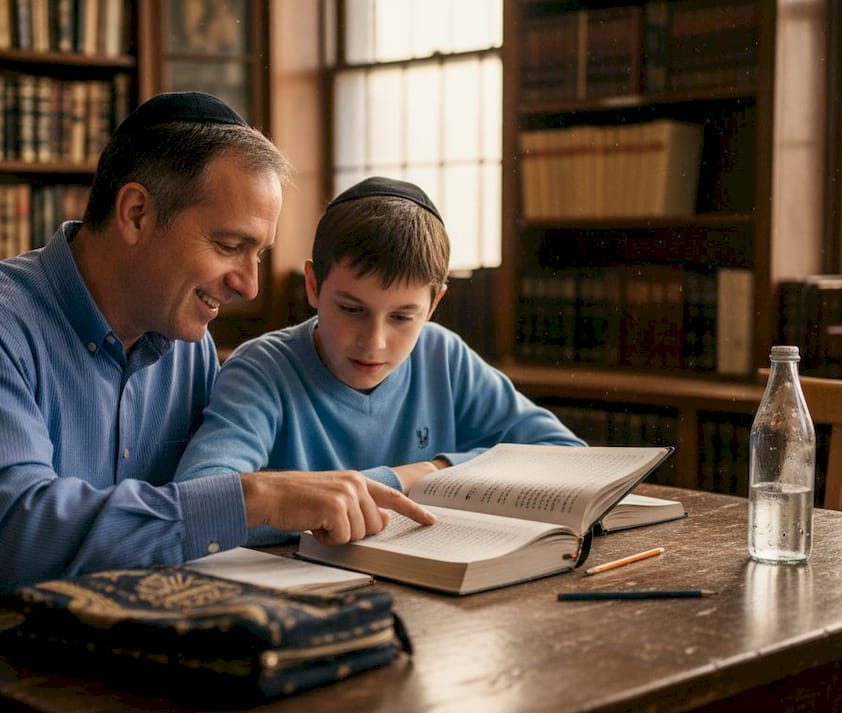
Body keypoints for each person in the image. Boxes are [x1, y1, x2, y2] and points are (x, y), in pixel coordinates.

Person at [0, 94, 436, 612]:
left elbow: (196, 518)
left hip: (105, 655)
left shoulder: (190, 346)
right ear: (136, 213)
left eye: (259, 254)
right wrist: (255, 495)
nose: (250, 285)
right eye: (232, 246)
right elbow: (15, 539)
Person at [173, 176, 585, 545]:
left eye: (403, 317)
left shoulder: (444, 355)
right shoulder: (261, 370)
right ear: (314, 286)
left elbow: (567, 457)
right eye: (351, 309)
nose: (374, 342)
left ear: (434, 303)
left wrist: (435, 469)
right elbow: (198, 500)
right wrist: (403, 480)